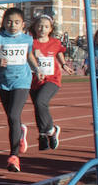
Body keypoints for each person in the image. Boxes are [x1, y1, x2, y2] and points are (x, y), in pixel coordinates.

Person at [0, 7, 40, 172]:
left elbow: (29, 55)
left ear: (23, 24)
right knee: (11, 118)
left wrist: (37, 69)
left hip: (22, 81)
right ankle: (20, 130)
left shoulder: (27, 39)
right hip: (3, 83)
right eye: (9, 21)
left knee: (14, 115)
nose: (12, 25)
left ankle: (14, 157)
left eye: (16, 22)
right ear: (3, 22)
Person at [29, 14, 71, 151]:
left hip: (52, 79)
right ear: (34, 27)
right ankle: (47, 133)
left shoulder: (55, 42)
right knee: (38, 106)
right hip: (34, 80)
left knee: (41, 102)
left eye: (46, 26)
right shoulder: (30, 42)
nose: (42, 29)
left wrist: (64, 64)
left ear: (51, 29)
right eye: (40, 26)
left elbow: (59, 52)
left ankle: (47, 131)